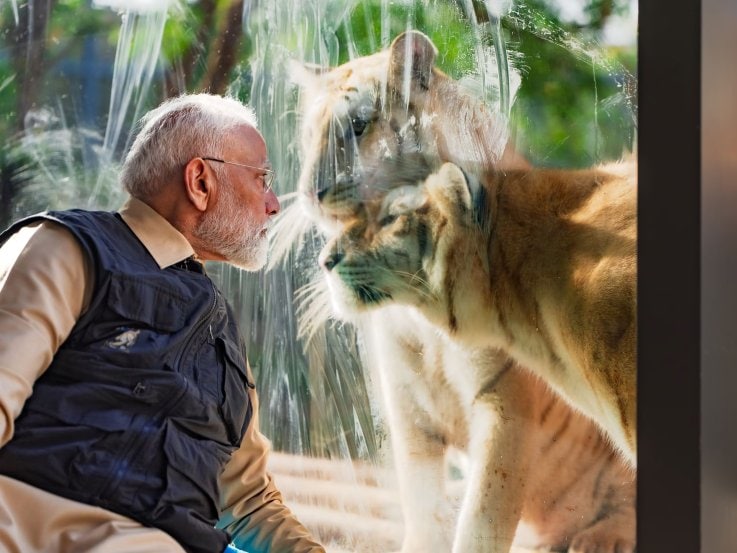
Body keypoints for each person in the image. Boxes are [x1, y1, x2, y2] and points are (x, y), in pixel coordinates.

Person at [0, 94, 325, 553]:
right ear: (200, 182)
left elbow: (248, 502)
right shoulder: (65, 248)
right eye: (262, 179)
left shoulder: (222, 335)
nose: (274, 204)